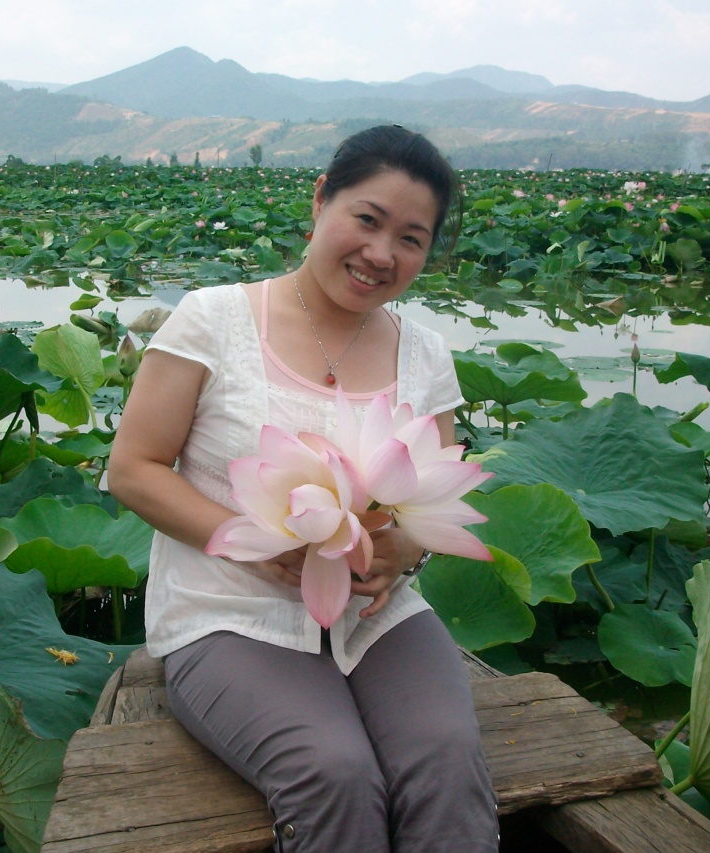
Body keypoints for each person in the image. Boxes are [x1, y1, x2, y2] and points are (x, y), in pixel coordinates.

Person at [108, 125, 500, 852]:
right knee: (334, 772)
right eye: (367, 219)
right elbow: (132, 467)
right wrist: (256, 548)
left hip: (374, 614)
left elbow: (437, 489)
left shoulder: (424, 353)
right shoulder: (214, 319)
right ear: (321, 199)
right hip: (227, 611)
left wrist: (402, 553)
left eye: (412, 239)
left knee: (447, 762)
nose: (381, 254)